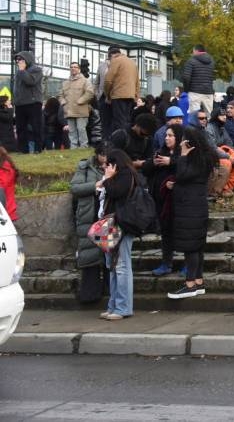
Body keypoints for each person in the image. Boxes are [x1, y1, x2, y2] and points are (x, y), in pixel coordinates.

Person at [166, 126, 218, 299]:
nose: (180, 143)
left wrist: (182, 155)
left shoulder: (196, 159)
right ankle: (198, 281)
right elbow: (189, 180)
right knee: (197, 246)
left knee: (191, 247)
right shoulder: (203, 158)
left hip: (191, 209)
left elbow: (182, 174)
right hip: (195, 207)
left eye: (182, 140)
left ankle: (190, 285)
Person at [95, 149, 142, 320]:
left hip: (121, 225)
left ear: (115, 164)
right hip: (110, 225)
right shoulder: (116, 177)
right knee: (112, 267)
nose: (105, 167)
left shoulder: (126, 175)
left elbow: (116, 193)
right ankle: (113, 306)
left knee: (121, 266)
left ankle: (123, 307)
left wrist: (107, 179)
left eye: (108, 164)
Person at [70, 144, 108, 302]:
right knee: (89, 256)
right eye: (103, 154)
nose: (105, 158)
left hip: (106, 217)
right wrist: (95, 185)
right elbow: (75, 188)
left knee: (108, 255)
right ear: (97, 154)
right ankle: (90, 294)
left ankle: (108, 289)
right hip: (89, 216)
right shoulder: (85, 166)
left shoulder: (114, 164)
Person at [145, 123, 182, 276]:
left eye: (171, 135)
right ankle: (166, 263)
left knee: (183, 232)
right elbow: (146, 169)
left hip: (179, 201)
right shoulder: (160, 152)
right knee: (166, 232)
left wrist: (171, 161)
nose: (167, 138)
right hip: (161, 201)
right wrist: (153, 163)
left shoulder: (183, 153)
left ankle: (189, 264)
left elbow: (190, 167)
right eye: (166, 135)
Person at [103, 46, 141, 138]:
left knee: (119, 121)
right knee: (127, 120)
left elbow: (108, 80)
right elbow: (137, 81)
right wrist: (136, 97)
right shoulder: (132, 62)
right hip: (131, 95)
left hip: (118, 95)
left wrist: (107, 95)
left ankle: (121, 140)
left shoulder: (115, 61)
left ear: (111, 55)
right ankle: (128, 139)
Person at [12, 50, 45, 153]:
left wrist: (22, 71)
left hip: (33, 103)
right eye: (17, 60)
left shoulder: (36, 70)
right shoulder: (19, 72)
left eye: (20, 59)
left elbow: (30, 81)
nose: (18, 62)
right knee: (20, 128)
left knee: (36, 127)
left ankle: (38, 149)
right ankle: (23, 149)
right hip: (20, 104)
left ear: (27, 59)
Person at [60, 60, 95, 148]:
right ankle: (73, 148)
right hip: (69, 111)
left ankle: (84, 147)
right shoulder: (65, 83)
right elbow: (60, 95)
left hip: (81, 111)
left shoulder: (85, 81)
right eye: (71, 67)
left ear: (79, 69)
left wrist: (80, 101)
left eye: (75, 67)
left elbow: (90, 93)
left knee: (81, 130)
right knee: (72, 131)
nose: (73, 69)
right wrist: (64, 103)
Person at [181, 44, 216, 125]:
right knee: (209, 116)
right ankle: (209, 131)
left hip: (194, 92)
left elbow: (186, 77)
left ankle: (194, 132)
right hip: (208, 92)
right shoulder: (211, 62)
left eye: (193, 51)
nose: (192, 53)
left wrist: (186, 90)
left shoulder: (191, 61)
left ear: (196, 51)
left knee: (194, 116)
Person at [0, 146, 18, 222]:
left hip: (4, 215)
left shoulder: (4, 170)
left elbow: (1, 189)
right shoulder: (7, 167)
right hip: (8, 212)